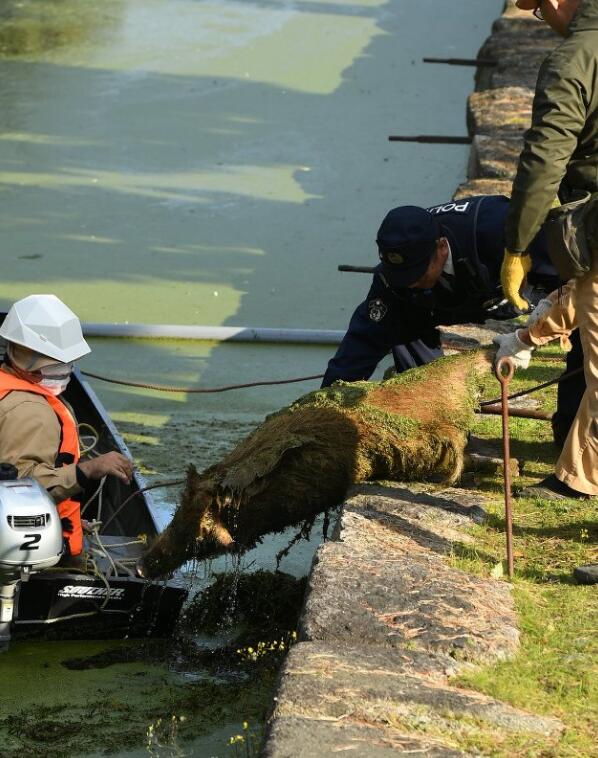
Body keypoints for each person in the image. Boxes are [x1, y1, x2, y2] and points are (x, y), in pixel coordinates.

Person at [496, 0, 598, 583]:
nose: (539, 18)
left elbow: (544, 157)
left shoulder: (574, 59)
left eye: (537, 7)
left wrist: (519, 244)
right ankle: (574, 472)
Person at [322, 194, 556, 388]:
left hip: (530, 288)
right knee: (400, 318)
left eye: (418, 273)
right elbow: (363, 341)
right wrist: (327, 407)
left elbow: (580, 285)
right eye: (402, 276)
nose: (410, 283)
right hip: (455, 301)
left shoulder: (500, 230)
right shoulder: (395, 280)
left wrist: (528, 337)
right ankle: (431, 411)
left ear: (442, 247)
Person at [0, 294, 133, 558]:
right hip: (25, 557)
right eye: (55, 363)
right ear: (28, 358)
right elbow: (19, 489)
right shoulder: (32, 412)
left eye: (66, 362)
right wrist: (87, 470)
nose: (64, 371)